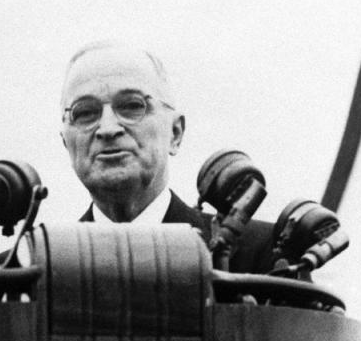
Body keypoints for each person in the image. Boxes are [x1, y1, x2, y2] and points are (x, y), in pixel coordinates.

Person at [59, 41, 275, 273]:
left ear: (175, 133)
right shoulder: (33, 264)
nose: (108, 128)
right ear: (66, 143)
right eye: (85, 113)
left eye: (132, 106)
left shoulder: (263, 254)